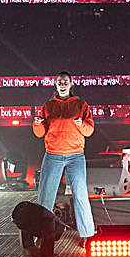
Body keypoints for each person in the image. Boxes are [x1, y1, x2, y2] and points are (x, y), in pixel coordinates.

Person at [33, 72, 96, 245]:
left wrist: (81, 124)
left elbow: (89, 131)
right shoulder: (48, 106)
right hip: (53, 155)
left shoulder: (81, 105)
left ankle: (86, 234)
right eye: (59, 82)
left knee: (80, 195)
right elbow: (40, 133)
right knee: (45, 196)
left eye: (65, 82)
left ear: (70, 84)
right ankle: (42, 235)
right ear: (56, 84)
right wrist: (37, 124)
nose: (62, 84)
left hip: (75, 155)